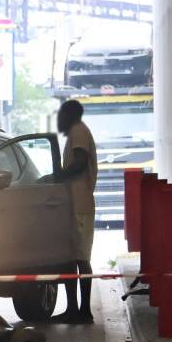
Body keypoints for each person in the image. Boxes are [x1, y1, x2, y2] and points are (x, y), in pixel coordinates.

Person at [50, 100, 98, 324]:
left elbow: (79, 163)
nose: (60, 118)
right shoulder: (77, 132)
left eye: (62, 114)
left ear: (70, 114)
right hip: (76, 205)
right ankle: (74, 309)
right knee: (74, 258)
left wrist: (59, 175)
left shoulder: (79, 132)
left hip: (80, 206)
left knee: (78, 258)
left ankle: (82, 310)